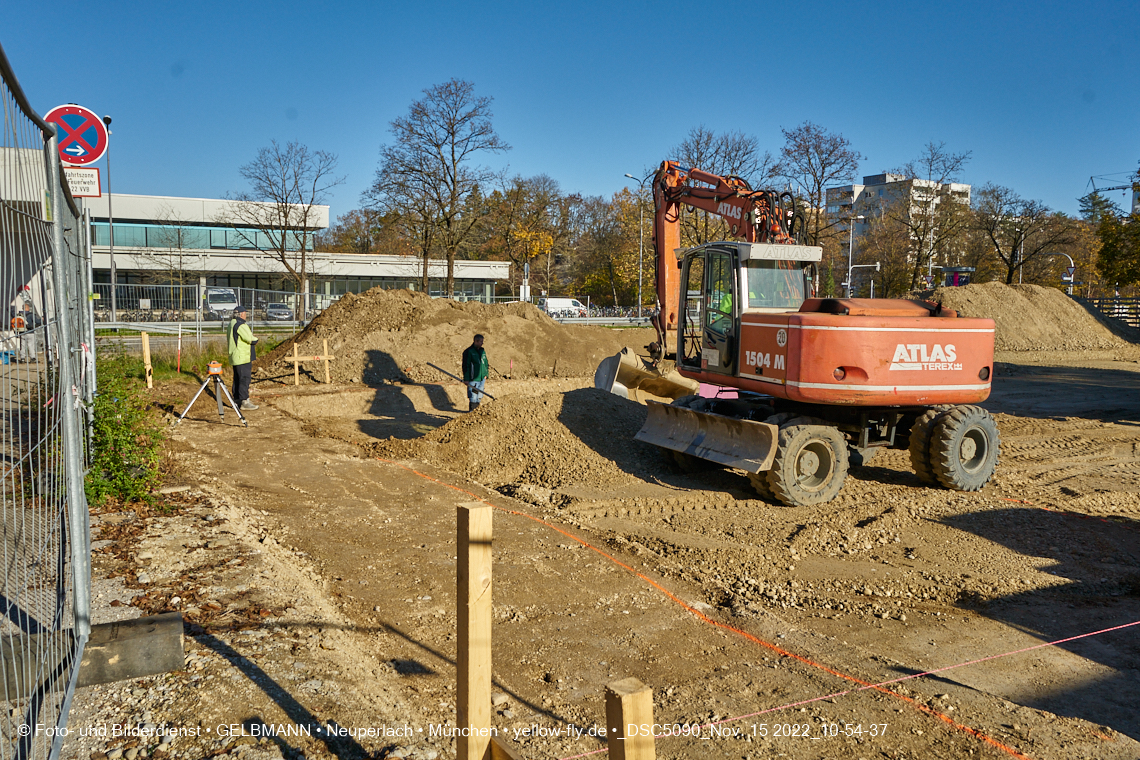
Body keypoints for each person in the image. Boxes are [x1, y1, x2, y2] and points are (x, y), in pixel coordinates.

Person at [227, 305, 259, 411]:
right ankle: (244, 401)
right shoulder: (240, 325)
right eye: (245, 313)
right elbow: (250, 339)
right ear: (241, 314)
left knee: (237, 379)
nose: (246, 315)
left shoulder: (231, 323)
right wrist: (256, 339)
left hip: (235, 356)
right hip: (242, 357)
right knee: (244, 379)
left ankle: (237, 400)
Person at [461, 333, 489, 412]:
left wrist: (486, 374)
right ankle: (472, 412)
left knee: (479, 395)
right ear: (475, 341)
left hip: (482, 378)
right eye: (481, 341)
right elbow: (466, 366)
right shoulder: (469, 352)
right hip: (473, 379)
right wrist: (466, 378)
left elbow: (485, 362)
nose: (482, 343)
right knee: (473, 395)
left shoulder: (482, 351)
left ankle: (477, 412)